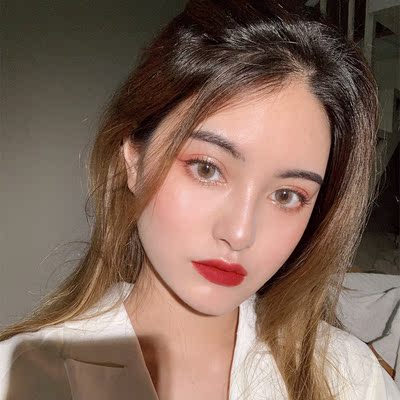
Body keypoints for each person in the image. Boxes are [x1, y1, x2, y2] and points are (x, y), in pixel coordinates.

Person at [0, 0, 399, 399]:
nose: (239, 233)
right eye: (207, 169)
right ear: (134, 160)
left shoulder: (352, 380)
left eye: (286, 195)